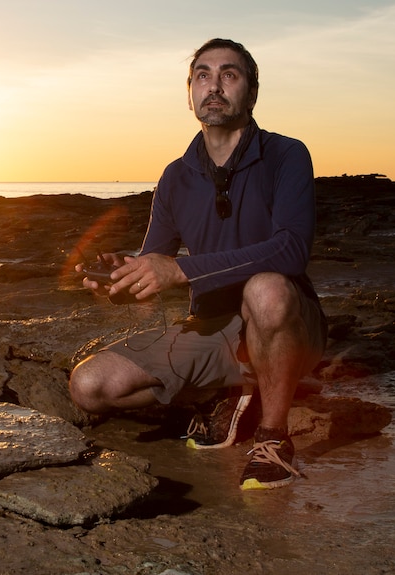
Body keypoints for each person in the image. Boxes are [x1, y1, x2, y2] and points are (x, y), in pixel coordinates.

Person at [70, 38, 327, 490]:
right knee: (89, 386)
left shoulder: (288, 155)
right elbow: (158, 262)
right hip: (214, 328)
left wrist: (184, 270)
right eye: (202, 75)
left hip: (288, 324)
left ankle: (272, 438)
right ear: (189, 92)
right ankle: (226, 392)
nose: (214, 86)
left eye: (229, 75)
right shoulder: (174, 176)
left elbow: (291, 250)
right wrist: (125, 276)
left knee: (265, 288)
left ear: (251, 92)